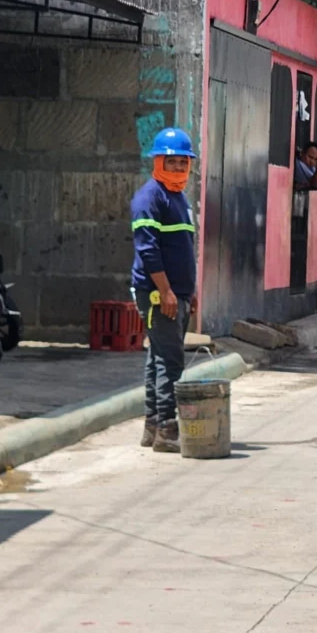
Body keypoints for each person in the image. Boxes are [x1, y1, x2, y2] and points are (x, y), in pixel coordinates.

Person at [130, 127, 198, 453]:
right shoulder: (149, 198)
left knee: (158, 357)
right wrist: (168, 292)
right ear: (158, 161)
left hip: (177, 293)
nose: (178, 168)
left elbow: (182, 248)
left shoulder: (179, 198)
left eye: (183, 163)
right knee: (171, 361)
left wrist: (188, 292)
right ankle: (168, 430)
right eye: (172, 162)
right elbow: (148, 251)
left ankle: (153, 427)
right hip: (159, 294)